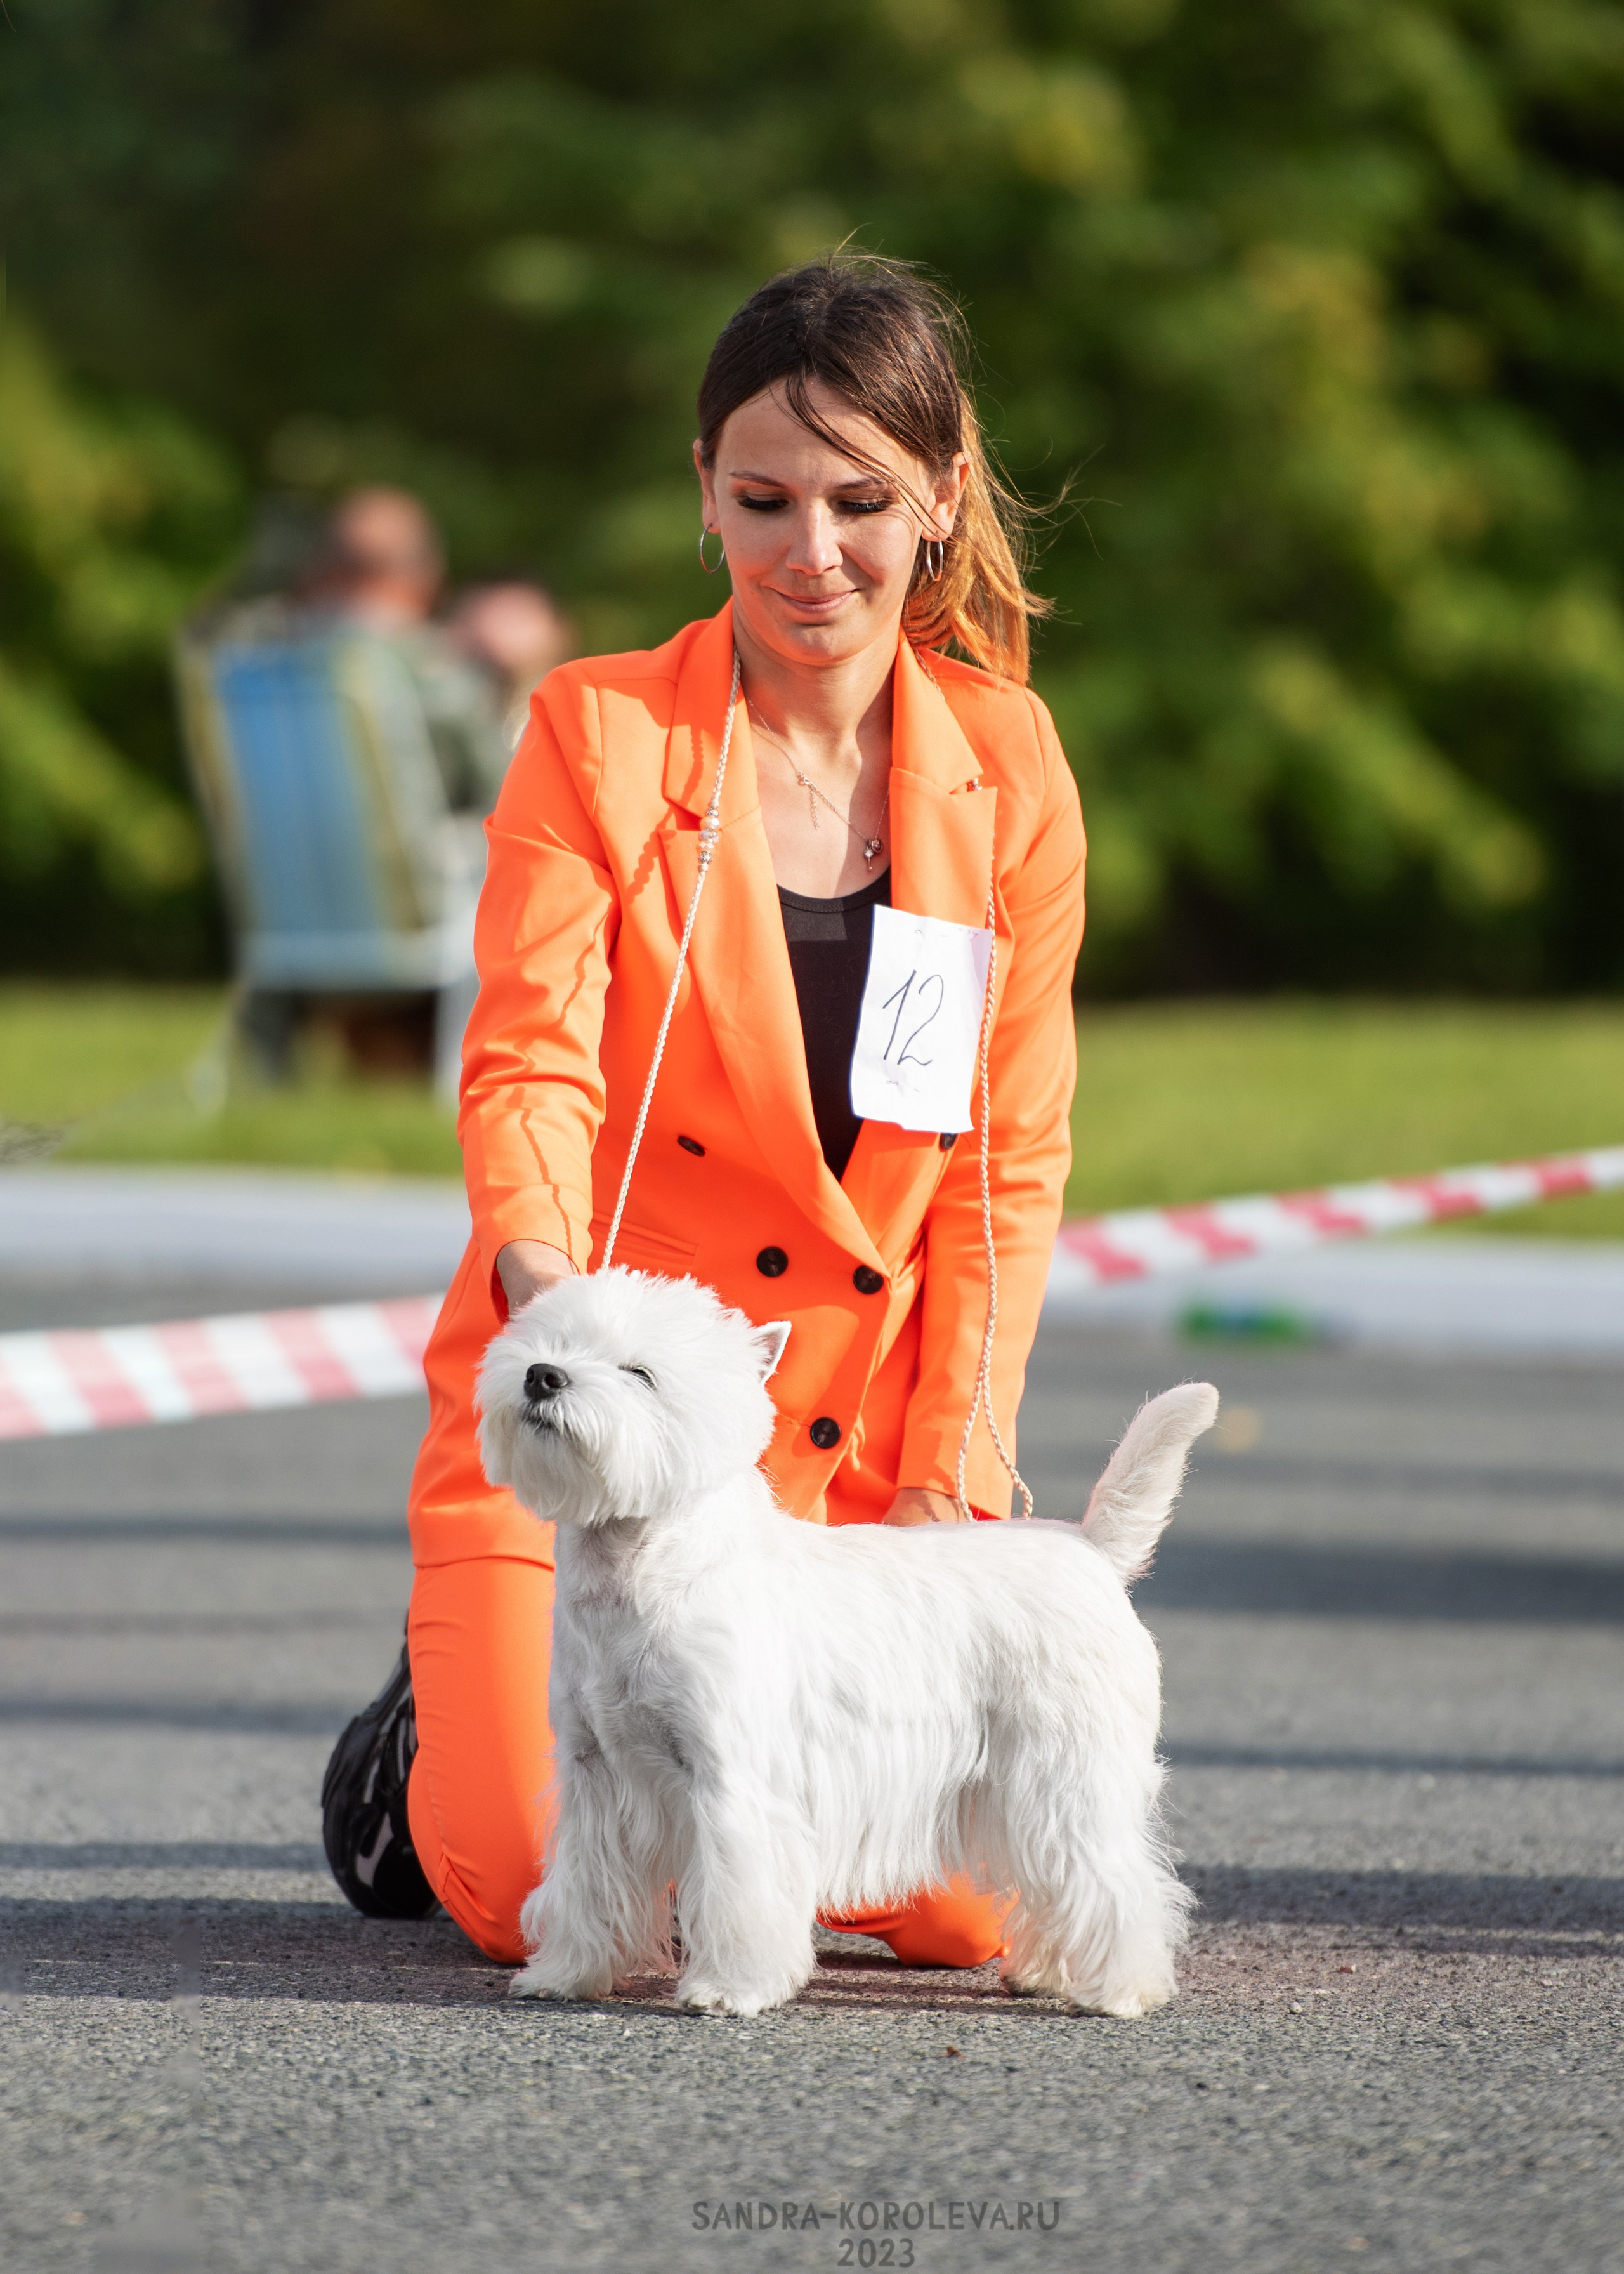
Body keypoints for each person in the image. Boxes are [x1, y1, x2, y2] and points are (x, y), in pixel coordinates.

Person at [321, 255, 1087, 1971]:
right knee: (557, 1888)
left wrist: (958, 1466)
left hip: (836, 1463)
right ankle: (432, 1715)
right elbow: (530, 1058)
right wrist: (545, 1300)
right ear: (704, 496)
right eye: (764, 501)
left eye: (859, 503)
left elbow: (1002, 1170)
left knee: (963, 1909)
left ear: (943, 500)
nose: (811, 556)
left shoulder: (1011, 762)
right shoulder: (595, 736)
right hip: (597, 1416)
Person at [447, 579, 573, 751]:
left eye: (519, 620)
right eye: (493, 619)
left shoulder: (574, 705)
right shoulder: (463, 703)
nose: (501, 632)